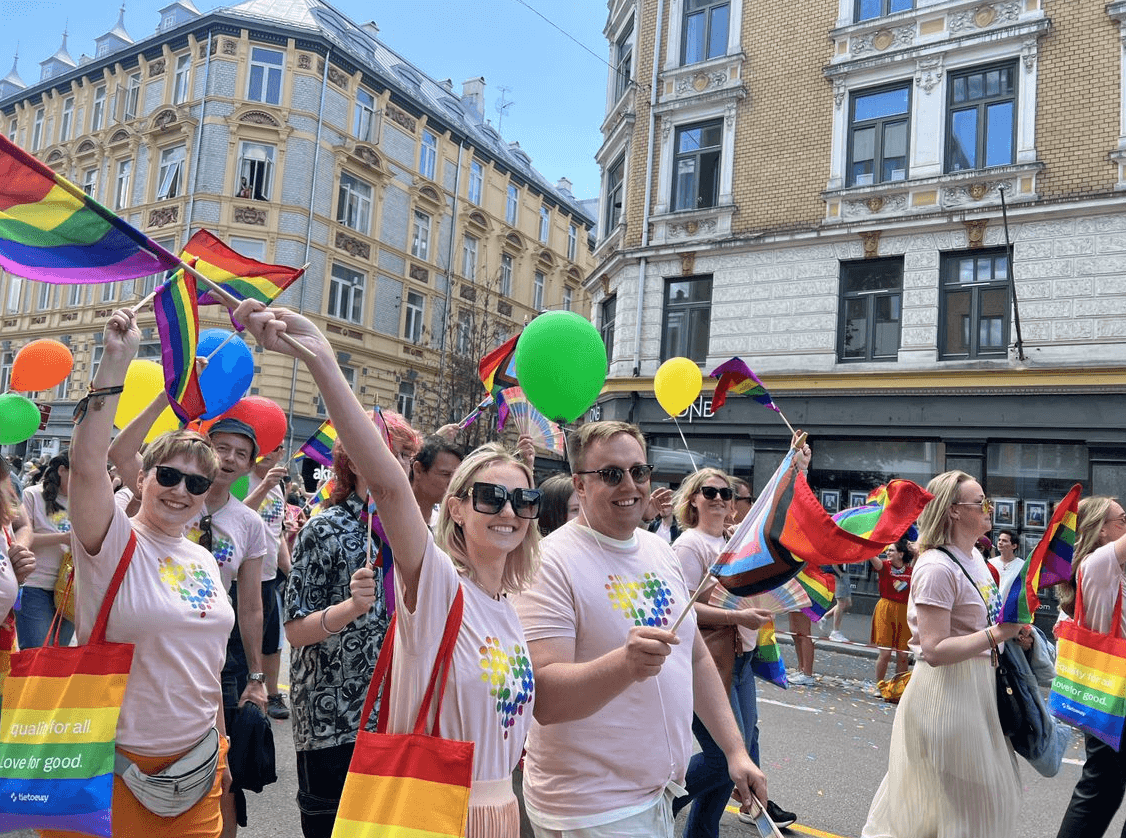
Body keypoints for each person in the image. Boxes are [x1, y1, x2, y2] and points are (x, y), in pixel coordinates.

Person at [239, 299, 541, 836]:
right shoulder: (442, 585)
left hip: (501, 813)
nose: (510, 511)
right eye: (491, 496)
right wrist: (323, 361)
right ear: (456, 506)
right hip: (434, 808)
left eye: (525, 499)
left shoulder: (510, 610)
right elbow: (389, 488)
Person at [514, 420, 766, 836]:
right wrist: (624, 664)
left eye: (639, 472)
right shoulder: (549, 562)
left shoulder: (657, 549)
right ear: (579, 484)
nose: (629, 485)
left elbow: (696, 655)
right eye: (611, 474)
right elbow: (545, 698)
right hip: (591, 809)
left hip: (656, 796)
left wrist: (735, 750)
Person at [48, 307, 235, 837]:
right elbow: (87, 464)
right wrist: (116, 362)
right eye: (170, 476)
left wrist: (223, 753)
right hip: (111, 764)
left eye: (197, 485)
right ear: (143, 477)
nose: (181, 490)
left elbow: (208, 664)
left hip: (197, 765)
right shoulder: (112, 540)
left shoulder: (202, 558)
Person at [861, 471, 1028, 838]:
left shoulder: (975, 561)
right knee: (971, 805)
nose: (990, 508)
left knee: (962, 807)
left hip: (978, 690)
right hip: (947, 694)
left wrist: (1014, 635)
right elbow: (934, 650)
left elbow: (980, 626)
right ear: (953, 510)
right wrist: (997, 633)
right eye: (980, 501)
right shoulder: (937, 566)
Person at [284, 431, 393, 838]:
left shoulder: (408, 534)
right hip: (332, 717)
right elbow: (295, 630)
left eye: (403, 456)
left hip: (392, 713)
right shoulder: (324, 528)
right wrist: (350, 608)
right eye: (382, 453)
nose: (394, 464)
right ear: (354, 464)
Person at [669, 468, 788, 836]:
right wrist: (737, 615)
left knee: (744, 748)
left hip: (741, 660)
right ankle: (661, 800)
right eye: (710, 492)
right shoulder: (689, 545)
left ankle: (703, 833)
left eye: (727, 493)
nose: (720, 498)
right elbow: (681, 609)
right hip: (708, 661)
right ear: (693, 499)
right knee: (724, 757)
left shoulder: (732, 541)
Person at [1054, 496, 1126, 838]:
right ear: (1099, 532)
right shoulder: (1097, 566)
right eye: (1122, 521)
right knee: (1100, 787)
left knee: (1103, 786)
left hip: (1114, 691)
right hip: (1115, 692)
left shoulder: (1111, 570)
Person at [243, 446, 292, 721]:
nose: (278, 452)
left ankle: (272, 694)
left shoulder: (278, 486)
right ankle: (245, 688)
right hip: (243, 575)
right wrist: (263, 486)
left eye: (280, 447)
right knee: (244, 639)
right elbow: (235, 514)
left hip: (270, 575)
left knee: (272, 640)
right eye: (271, 447)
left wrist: (289, 567)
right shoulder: (242, 479)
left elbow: (279, 532)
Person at [16, 451, 74, 648]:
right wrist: (64, 538)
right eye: (79, 473)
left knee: (58, 656)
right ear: (62, 470)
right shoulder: (32, 494)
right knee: (37, 651)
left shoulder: (82, 501)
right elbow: (23, 538)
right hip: (34, 585)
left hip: (69, 591)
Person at [867, 538, 915, 687]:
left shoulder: (911, 569)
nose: (887, 552)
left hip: (904, 611)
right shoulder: (884, 566)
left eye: (891, 550)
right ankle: (879, 685)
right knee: (885, 653)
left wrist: (915, 548)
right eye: (887, 550)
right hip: (886, 609)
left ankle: (898, 688)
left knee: (902, 655)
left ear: (901, 554)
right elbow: (870, 555)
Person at [410, 435, 464, 524]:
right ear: (418, 470)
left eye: (456, 477)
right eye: (445, 474)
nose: (452, 483)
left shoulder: (446, 525)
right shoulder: (389, 518)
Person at [990, 529, 1022, 594]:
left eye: (1004, 541)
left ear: (1014, 546)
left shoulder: (1022, 566)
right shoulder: (991, 563)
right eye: (999, 540)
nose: (1000, 542)